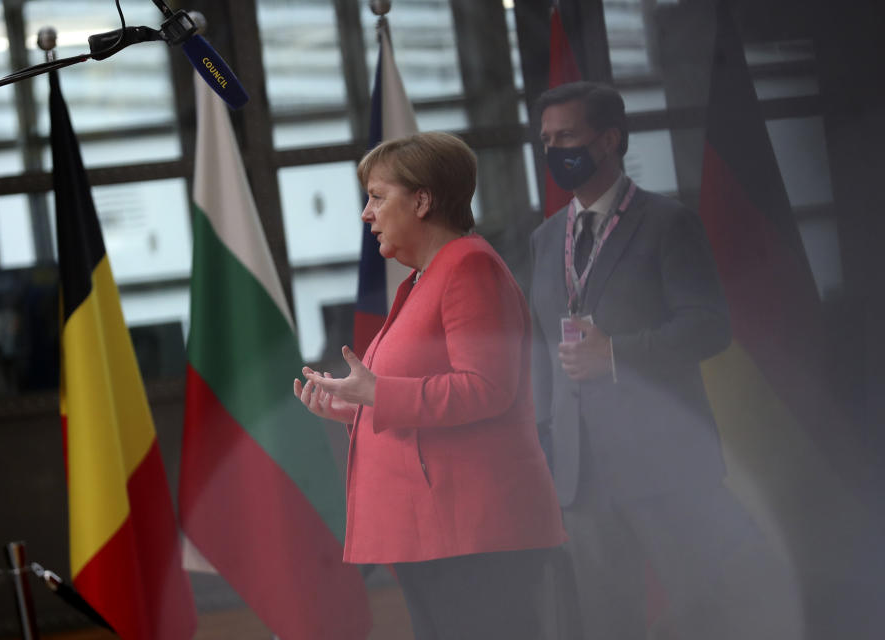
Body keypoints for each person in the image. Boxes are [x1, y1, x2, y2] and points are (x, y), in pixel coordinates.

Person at [530, 81, 801, 639]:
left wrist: (616, 354)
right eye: (547, 139)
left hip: (664, 465)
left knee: (703, 611)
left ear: (609, 140)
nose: (556, 150)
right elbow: (540, 351)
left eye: (568, 136)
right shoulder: (544, 239)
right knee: (606, 623)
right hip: (581, 476)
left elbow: (709, 327)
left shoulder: (667, 223)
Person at [294, 131, 566, 640]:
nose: (365, 214)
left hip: (475, 531)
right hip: (434, 532)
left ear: (422, 200)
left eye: (377, 196)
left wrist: (376, 393)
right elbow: (412, 395)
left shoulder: (469, 266)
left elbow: (486, 388)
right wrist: (351, 405)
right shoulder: (423, 277)